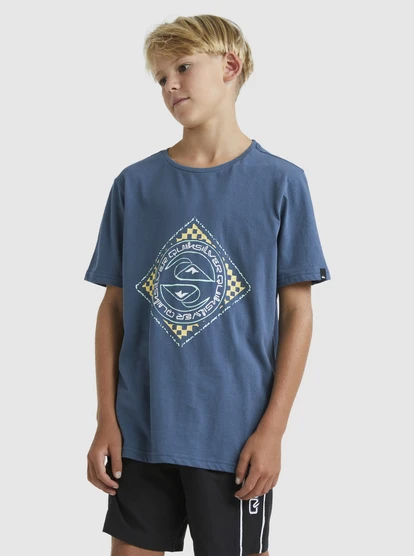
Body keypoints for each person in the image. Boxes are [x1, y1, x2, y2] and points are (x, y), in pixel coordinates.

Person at [84, 13, 331, 556]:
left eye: (182, 68)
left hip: (233, 438)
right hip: (141, 430)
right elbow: (113, 309)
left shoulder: (281, 183)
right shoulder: (134, 185)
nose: (170, 85)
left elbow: (297, 313)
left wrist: (273, 430)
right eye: (160, 77)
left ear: (230, 66)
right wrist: (106, 417)